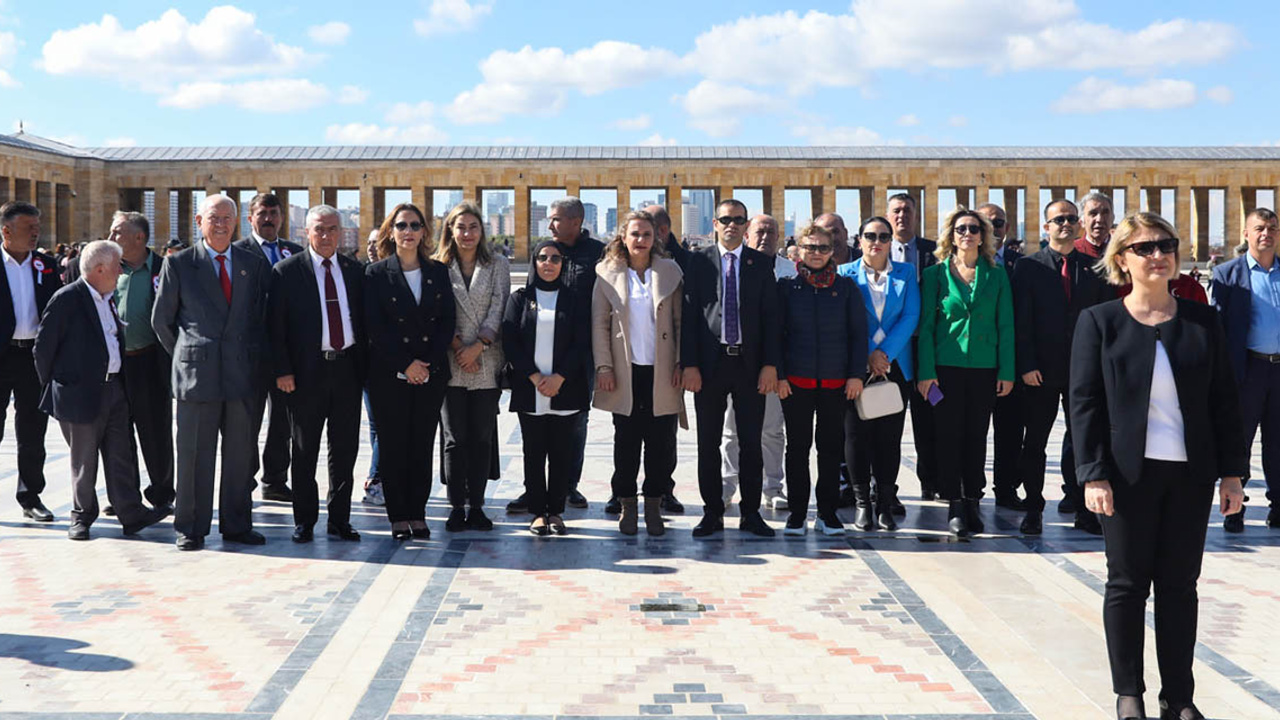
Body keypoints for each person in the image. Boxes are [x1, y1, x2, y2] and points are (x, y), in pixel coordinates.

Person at [1072, 211, 1246, 720]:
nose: (1158, 256)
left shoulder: (1202, 322)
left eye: (1166, 245)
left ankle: (1180, 698)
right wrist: (1092, 473)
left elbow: (1224, 402)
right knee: (1126, 584)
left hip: (1189, 474)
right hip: (1126, 476)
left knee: (1179, 586)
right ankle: (1129, 693)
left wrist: (1233, 473)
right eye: (1145, 247)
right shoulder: (1099, 322)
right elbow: (1083, 404)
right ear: (1122, 258)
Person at [152, 194, 271, 551]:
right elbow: (162, 321)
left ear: (237, 222)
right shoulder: (180, 263)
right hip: (197, 377)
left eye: (227, 218)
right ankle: (190, 526)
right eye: (213, 218)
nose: (220, 224)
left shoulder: (253, 262)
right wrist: (187, 355)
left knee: (239, 456)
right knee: (193, 457)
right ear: (198, 221)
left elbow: (261, 316)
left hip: (240, 374)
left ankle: (236, 524)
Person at [35, 241, 168, 540]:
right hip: (80, 394)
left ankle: (131, 513)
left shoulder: (107, 297)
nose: (121, 271)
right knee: (84, 460)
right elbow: (43, 349)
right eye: (117, 266)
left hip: (114, 389)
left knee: (121, 454)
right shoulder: (68, 299)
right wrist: (59, 387)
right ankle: (81, 516)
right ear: (99, 269)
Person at [1012, 199, 1113, 536]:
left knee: (1084, 441)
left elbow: (1103, 321)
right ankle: (1033, 507)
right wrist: (1026, 365)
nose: (1065, 225)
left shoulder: (1094, 266)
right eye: (1058, 220)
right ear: (1046, 227)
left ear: (1079, 224)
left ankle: (1084, 510)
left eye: (1071, 219)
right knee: (1035, 442)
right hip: (1040, 371)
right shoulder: (1029, 267)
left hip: (1082, 371)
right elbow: (1021, 322)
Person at [682, 198, 781, 537]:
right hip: (710, 366)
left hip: (750, 365)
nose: (732, 225)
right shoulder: (699, 263)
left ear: (745, 224)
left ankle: (751, 514)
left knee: (750, 442)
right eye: (726, 219)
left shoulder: (759, 263)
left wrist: (771, 365)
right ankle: (712, 512)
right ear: (715, 223)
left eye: (739, 220)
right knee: (708, 442)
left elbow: (771, 319)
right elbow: (690, 317)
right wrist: (690, 365)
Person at [269, 205, 365, 544]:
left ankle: (340, 519)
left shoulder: (355, 271)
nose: (326, 236)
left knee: (345, 450)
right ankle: (304, 520)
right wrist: (282, 370)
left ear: (341, 232)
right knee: (304, 449)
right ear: (305, 233)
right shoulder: (286, 271)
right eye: (319, 230)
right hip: (305, 374)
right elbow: (275, 327)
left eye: (332, 229)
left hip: (347, 370)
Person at [917, 206, 1015, 537]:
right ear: (951, 235)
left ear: (984, 235)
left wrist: (1008, 370)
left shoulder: (996, 274)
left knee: (976, 435)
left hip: (985, 368)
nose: (968, 234)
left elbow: (1006, 325)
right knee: (947, 436)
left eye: (974, 229)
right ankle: (954, 502)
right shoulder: (934, 275)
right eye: (961, 229)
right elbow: (927, 327)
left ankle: (973, 498)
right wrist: (925, 372)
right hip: (945, 368)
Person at [506, 197, 603, 513]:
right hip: (539, 355)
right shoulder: (545, 250)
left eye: (556, 219)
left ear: (576, 221)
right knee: (534, 434)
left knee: (576, 422)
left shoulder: (598, 254)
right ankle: (533, 491)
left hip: (578, 353)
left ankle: (567, 486)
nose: (549, 225)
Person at [365, 203, 454, 540]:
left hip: (429, 373)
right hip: (390, 373)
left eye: (415, 225)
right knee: (392, 446)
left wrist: (425, 364)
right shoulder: (375, 274)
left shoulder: (438, 272)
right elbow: (375, 327)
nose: (408, 231)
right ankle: (398, 516)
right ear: (391, 231)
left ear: (424, 233)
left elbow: (447, 321)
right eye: (401, 225)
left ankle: (418, 513)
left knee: (421, 445)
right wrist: (406, 364)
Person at [593, 211, 685, 536]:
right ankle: (627, 504)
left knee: (661, 443)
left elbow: (678, 323)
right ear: (623, 238)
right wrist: (604, 367)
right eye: (635, 234)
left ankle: (654, 506)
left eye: (646, 234)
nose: (641, 240)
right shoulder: (607, 274)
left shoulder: (670, 272)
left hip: (661, 372)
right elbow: (599, 325)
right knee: (627, 442)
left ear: (655, 238)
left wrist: (680, 363)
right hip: (625, 372)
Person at [776, 223, 866, 535]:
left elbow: (858, 336)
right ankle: (798, 513)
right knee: (797, 449)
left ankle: (827, 513)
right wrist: (780, 375)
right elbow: (778, 337)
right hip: (796, 382)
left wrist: (856, 375)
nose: (817, 253)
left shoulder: (846, 288)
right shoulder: (787, 287)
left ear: (832, 251)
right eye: (810, 247)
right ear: (799, 250)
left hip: (835, 382)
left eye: (823, 248)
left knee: (830, 449)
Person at [502, 240, 591, 536]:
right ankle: (538, 513)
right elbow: (510, 341)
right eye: (543, 257)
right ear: (535, 262)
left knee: (562, 453)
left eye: (555, 258)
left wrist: (559, 377)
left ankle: (557, 512)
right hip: (531, 389)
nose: (549, 263)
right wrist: (534, 377)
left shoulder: (575, 299)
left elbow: (582, 342)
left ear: (562, 263)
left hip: (566, 387)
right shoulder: (520, 298)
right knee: (534, 452)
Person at [839, 216, 919, 531]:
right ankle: (862, 503)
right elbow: (844, 320)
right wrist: (868, 353)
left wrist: (884, 354)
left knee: (889, 437)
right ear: (860, 240)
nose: (877, 242)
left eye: (883, 236)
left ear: (891, 241)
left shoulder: (906, 272)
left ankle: (884, 501)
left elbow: (912, 314)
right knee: (856, 436)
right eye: (870, 235)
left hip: (893, 366)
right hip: (857, 367)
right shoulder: (845, 274)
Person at [435, 201, 509, 532]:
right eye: (460, 227)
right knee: (454, 438)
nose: (467, 233)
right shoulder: (438, 266)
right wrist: (458, 347)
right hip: (451, 361)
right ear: (450, 230)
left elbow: (500, 307)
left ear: (483, 231)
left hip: (486, 360)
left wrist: (478, 346)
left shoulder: (497, 265)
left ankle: (477, 505)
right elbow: (435, 312)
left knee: (481, 436)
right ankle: (455, 505)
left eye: (473, 227)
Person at [1210, 206, 1280, 533]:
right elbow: (1217, 326)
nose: (1266, 234)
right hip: (1247, 368)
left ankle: (1278, 505)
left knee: (1278, 442)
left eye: (1272, 228)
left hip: (1278, 369)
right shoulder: (1227, 275)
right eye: (1260, 228)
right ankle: (1235, 507)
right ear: (1247, 234)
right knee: (1239, 440)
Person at [720, 213, 792, 513]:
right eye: (759, 231)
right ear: (747, 234)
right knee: (730, 429)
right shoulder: (732, 266)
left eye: (771, 232)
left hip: (772, 363)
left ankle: (772, 486)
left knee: (772, 430)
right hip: (736, 361)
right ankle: (725, 486)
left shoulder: (790, 270)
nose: (765, 237)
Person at [235, 192, 302, 502]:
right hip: (251, 354)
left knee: (282, 422)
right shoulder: (237, 253)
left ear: (281, 217)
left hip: (287, 355)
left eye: (274, 213)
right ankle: (242, 481)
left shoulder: (296, 252)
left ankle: (275, 479)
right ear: (250, 218)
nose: (268, 219)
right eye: (262, 213)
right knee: (247, 423)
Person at [107, 211, 173, 513]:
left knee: (155, 431)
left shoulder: (164, 269)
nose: (111, 239)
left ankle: (161, 493)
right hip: (115, 365)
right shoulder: (106, 269)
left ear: (139, 237)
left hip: (149, 362)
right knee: (117, 434)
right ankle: (125, 496)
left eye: (117, 232)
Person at [0, 201, 61, 521]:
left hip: (31, 357)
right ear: (6, 230)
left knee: (32, 430)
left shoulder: (45, 265)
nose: (36, 233)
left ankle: (31, 496)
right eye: (29, 228)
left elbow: (57, 309)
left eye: (37, 227)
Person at [888, 193, 941, 502]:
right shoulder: (877, 249)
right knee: (887, 421)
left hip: (925, 347)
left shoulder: (933, 252)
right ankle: (886, 488)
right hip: (889, 351)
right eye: (896, 210)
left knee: (928, 419)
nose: (902, 216)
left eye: (908, 210)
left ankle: (930, 482)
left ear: (916, 214)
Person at [978, 203, 1025, 511]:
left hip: (1011, 362)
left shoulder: (1024, 265)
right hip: (975, 362)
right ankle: (971, 489)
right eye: (986, 223)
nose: (993, 228)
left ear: (1007, 229)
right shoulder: (957, 265)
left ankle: (1006, 488)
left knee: (1010, 432)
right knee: (973, 431)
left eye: (999, 222)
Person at [361, 229, 384, 507]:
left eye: (376, 243)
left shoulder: (394, 274)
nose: (370, 247)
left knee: (385, 424)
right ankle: (380, 477)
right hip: (367, 362)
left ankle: (376, 478)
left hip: (390, 363)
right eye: (368, 242)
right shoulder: (362, 274)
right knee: (376, 425)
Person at [1075, 191, 1114, 259]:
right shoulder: (1072, 251)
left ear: (1113, 218)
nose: (1099, 219)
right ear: (1082, 222)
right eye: (1093, 213)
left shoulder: (1123, 250)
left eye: (1105, 213)